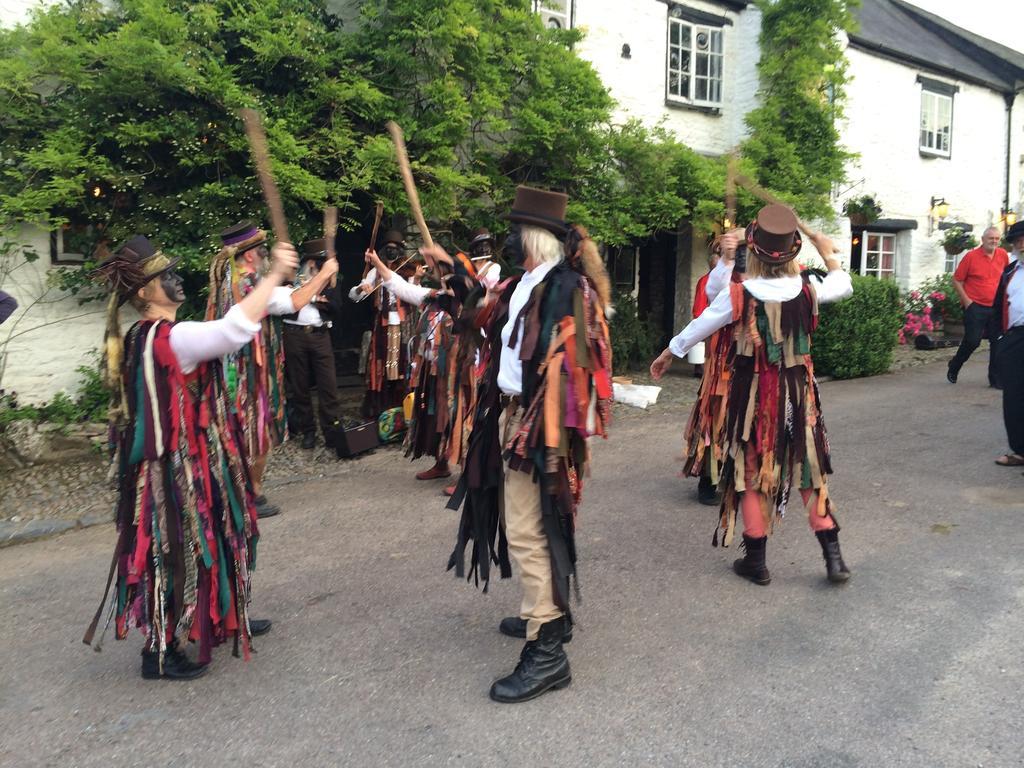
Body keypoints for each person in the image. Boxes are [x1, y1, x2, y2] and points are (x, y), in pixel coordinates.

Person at [83, 235, 298, 679]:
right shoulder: (169, 336)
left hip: (193, 463)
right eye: (166, 277)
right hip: (177, 471)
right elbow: (232, 331)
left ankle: (220, 618)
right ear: (144, 293)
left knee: (212, 540)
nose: (176, 280)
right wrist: (275, 275)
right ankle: (158, 653)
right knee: (174, 551)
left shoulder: (148, 335)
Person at [446, 186, 613, 704]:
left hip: (544, 429)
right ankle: (547, 619)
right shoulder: (524, 283)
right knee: (532, 528)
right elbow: (480, 324)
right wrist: (455, 283)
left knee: (527, 531)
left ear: (531, 237)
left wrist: (553, 438)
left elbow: (585, 368)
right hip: (514, 418)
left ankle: (548, 653)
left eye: (514, 231)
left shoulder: (568, 289)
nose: (508, 239)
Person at [651, 205, 853, 586]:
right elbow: (843, 283)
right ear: (793, 252)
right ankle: (834, 558)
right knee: (809, 469)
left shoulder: (740, 293)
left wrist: (668, 352)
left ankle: (756, 562)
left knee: (750, 471)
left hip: (754, 400)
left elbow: (702, 323)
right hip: (799, 396)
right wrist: (826, 251)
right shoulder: (809, 288)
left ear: (754, 252)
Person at [206, 221, 329, 516]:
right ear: (248, 256)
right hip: (247, 374)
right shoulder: (250, 284)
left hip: (236, 372)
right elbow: (293, 301)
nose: (264, 254)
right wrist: (324, 274)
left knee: (246, 433)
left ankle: (245, 493)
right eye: (261, 250)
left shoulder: (231, 279)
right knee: (256, 434)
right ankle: (250, 495)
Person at [363, 246, 454, 480]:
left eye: (447, 277)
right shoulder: (432, 297)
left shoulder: (469, 301)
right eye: (442, 277)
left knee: (457, 419)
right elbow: (399, 285)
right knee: (434, 417)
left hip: (456, 374)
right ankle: (441, 463)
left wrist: (441, 257)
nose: (443, 279)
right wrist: (376, 262)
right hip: (431, 370)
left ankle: (466, 473)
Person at [280, 239, 343, 449]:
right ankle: (308, 431)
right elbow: (286, 305)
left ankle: (332, 431)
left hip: (320, 335)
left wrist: (314, 298)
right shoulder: (290, 278)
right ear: (312, 263)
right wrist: (311, 295)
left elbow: (336, 307)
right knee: (299, 386)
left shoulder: (330, 281)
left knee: (329, 386)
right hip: (294, 335)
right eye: (319, 262)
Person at [350, 230, 417, 418]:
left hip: (404, 324)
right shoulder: (374, 272)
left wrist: (416, 279)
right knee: (382, 365)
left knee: (403, 363)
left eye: (395, 249)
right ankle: (382, 410)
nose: (392, 253)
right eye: (388, 249)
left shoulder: (406, 271)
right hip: (382, 324)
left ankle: (404, 410)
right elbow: (354, 297)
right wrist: (360, 288)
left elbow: (415, 293)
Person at [947, 227, 1008, 386]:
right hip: (975, 306)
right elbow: (957, 280)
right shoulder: (971, 256)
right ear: (983, 239)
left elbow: (1006, 278)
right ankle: (955, 365)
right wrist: (967, 301)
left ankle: (995, 380)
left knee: (997, 342)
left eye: (996, 238)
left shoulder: (1002, 255)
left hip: (996, 307)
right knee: (973, 341)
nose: (994, 241)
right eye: (991, 238)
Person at [989, 220, 1024, 467]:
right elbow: (997, 307)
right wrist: (999, 340)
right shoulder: (1010, 272)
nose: (1021, 244)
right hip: (1014, 338)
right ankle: (1019, 450)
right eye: (1017, 241)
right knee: (1013, 395)